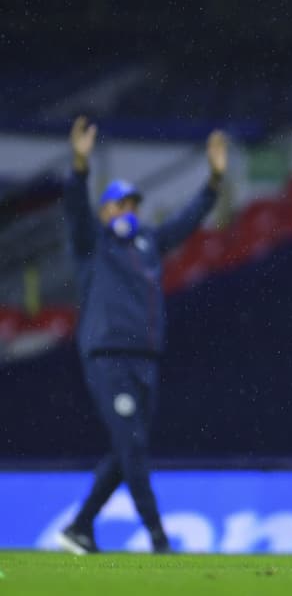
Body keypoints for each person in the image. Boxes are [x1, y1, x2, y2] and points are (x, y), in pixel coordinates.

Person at [58, 116, 226, 555]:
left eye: (133, 204)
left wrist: (214, 181)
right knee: (131, 445)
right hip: (108, 357)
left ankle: (79, 527)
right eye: (119, 205)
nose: (128, 211)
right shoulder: (92, 244)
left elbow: (189, 221)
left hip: (144, 359)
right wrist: (79, 165)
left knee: (127, 448)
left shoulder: (149, 242)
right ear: (105, 212)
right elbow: (75, 207)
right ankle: (158, 536)